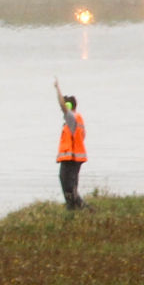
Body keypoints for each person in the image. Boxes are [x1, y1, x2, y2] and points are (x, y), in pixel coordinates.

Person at [53, 78, 86, 210]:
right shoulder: (77, 119)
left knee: (68, 185)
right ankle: (74, 207)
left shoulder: (72, 118)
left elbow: (62, 105)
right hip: (73, 158)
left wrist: (57, 89)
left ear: (69, 106)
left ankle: (78, 208)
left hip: (71, 158)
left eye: (66, 106)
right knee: (71, 186)